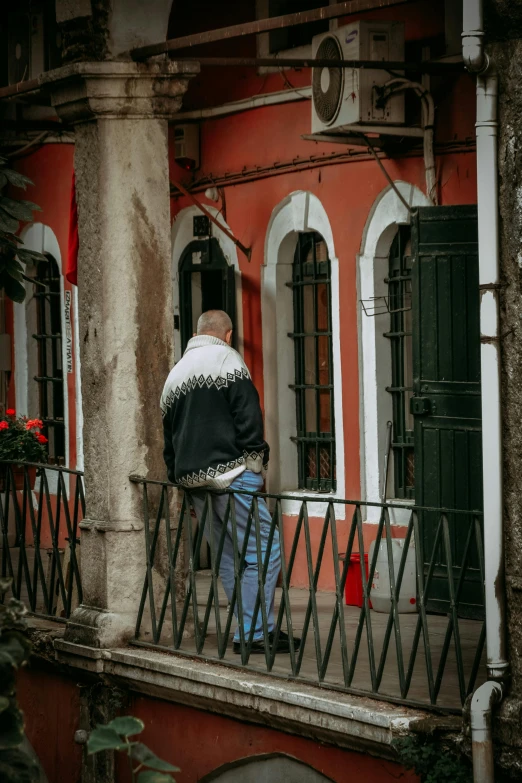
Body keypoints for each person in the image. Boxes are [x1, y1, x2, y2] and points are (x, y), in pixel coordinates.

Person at [161, 310, 299, 654]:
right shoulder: (227, 359)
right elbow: (249, 416)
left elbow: (169, 441)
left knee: (227, 558)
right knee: (264, 552)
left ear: (196, 333)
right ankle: (254, 633)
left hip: (193, 482)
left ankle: (251, 629)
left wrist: (181, 481)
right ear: (228, 334)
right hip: (232, 475)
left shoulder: (174, 375)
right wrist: (256, 467)